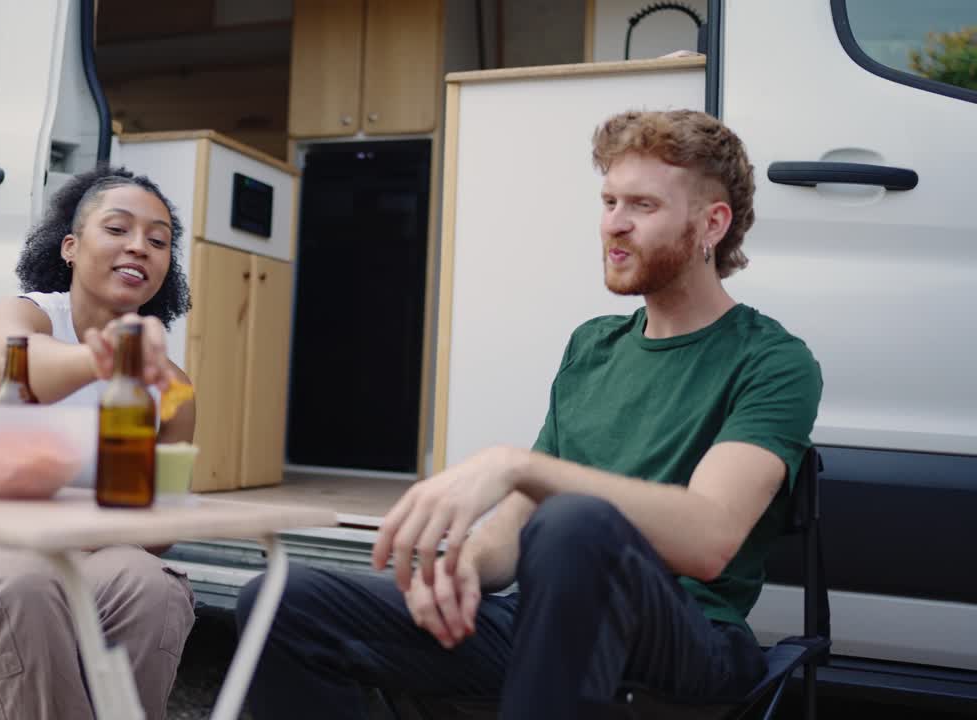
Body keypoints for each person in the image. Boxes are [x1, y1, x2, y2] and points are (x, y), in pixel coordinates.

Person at [236, 110, 822, 719]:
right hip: (548, 621)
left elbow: (709, 538)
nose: (613, 225)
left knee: (573, 522)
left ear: (712, 223)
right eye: (609, 201)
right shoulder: (592, 348)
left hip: (688, 642)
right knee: (281, 602)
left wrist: (515, 465)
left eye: (642, 206)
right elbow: (516, 524)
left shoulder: (772, 360)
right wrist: (459, 569)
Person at [0, 165, 198, 720]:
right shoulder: (16, 316)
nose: (140, 247)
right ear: (70, 247)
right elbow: (17, 372)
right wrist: (109, 357)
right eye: (118, 229)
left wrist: (147, 510)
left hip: (81, 556)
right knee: (24, 580)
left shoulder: (170, 387)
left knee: (152, 586)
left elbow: (157, 536)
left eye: (159, 239)